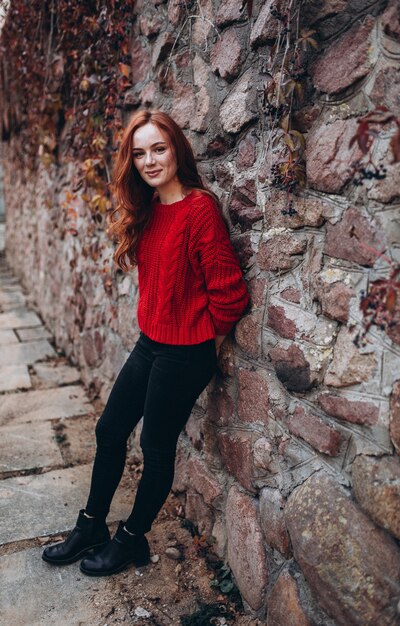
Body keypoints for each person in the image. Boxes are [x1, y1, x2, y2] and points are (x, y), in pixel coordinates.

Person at [42, 109, 250, 577]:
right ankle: (91, 525)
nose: (150, 160)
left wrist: (207, 343)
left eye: (158, 149)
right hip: (149, 344)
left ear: (176, 148)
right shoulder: (150, 209)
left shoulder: (199, 210)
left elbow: (230, 292)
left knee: (156, 447)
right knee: (110, 431)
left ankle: (132, 540)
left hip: (186, 352)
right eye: (140, 153)